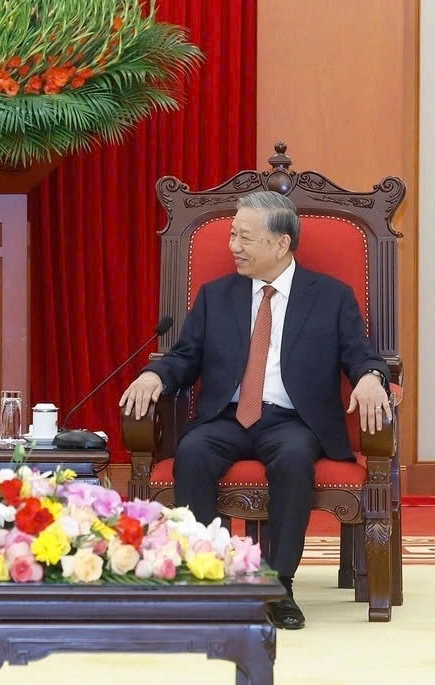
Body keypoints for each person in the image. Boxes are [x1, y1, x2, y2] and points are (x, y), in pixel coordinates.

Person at [119, 190, 391, 630]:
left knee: (294, 457)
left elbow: (361, 355)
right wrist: (157, 376)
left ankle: (277, 586)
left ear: (280, 244)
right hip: (225, 417)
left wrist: (370, 377)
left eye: (244, 237)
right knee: (193, 452)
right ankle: (210, 582)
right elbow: (184, 357)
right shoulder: (216, 296)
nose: (233, 247)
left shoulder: (330, 296)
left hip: (290, 420)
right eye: (231, 235)